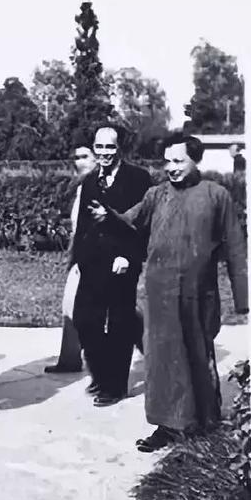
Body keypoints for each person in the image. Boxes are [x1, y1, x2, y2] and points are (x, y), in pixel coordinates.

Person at [91, 133, 248, 451]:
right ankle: (167, 426)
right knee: (163, 361)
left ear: (196, 160)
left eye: (178, 161)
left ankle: (204, 422)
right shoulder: (156, 195)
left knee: (198, 356)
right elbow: (130, 222)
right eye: (167, 161)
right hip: (159, 294)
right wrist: (108, 217)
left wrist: (243, 299)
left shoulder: (217, 195)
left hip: (199, 295)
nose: (171, 168)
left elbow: (235, 249)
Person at [71, 125, 151, 407]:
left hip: (122, 263)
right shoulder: (90, 180)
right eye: (100, 147)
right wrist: (78, 260)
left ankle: (115, 386)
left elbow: (144, 223)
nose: (104, 153)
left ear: (120, 149)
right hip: (92, 263)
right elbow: (83, 225)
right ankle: (101, 374)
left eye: (110, 147)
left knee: (119, 323)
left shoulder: (138, 179)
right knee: (84, 319)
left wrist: (128, 256)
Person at [45, 146, 96, 373]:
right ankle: (70, 358)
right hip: (79, 251)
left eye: (85, 157)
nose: (79, 161)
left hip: (95, 254)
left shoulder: (101, 186)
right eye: (76, 157)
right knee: (70, 305)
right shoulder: (81, 187)